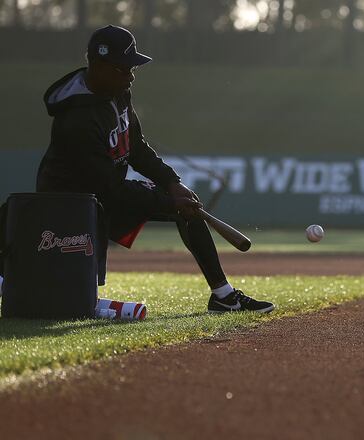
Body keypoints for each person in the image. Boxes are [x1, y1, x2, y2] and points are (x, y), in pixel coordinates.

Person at [37, 25, 274, 314]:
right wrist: (169, 201)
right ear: (98, 66)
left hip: (103, 193)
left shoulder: (118, 90)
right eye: (124, 68)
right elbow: (107, 188)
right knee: (67, 291)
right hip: (71, 207)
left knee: (188, 203)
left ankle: (224, 297)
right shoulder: (77, 119)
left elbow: (135, 147)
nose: (131, 75)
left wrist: (172, 183)